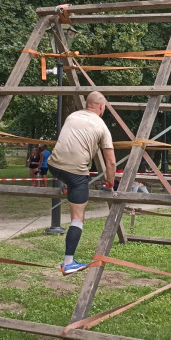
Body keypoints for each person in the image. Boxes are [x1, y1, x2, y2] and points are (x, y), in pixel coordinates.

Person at [48, 91, 116, 275]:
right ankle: (68, 263)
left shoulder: (72, 116)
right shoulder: (101, 126)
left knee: (70, 179)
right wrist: (110, 184)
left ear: (87, 104)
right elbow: (110, 162)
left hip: (53, 166)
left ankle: (66, 185)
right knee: (77, 217)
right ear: (102, 107)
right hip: (76, 173)